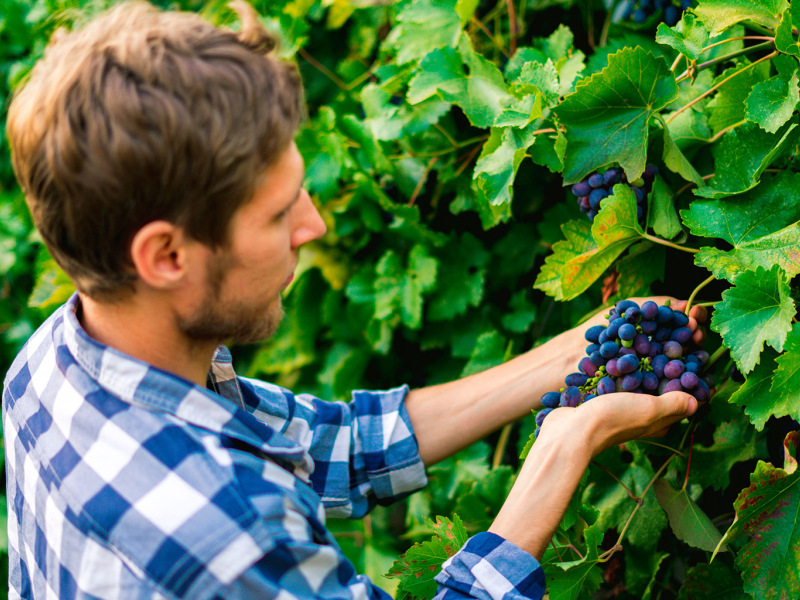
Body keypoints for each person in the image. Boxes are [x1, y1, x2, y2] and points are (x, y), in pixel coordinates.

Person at [2, 2, 707, 599]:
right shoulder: (229, 533)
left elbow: (332, 448)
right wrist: (566, 444)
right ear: (165, 256)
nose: (316, 225)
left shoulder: (54, 365)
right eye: (279, 215)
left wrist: (563, 355)